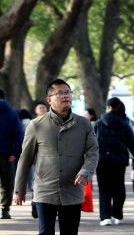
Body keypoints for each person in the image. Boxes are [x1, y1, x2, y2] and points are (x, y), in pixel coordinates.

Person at [13, 79, 99, 235]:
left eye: (68, 92)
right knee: (45, 232)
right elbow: (25, 159)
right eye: (60, 93)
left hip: (72, 190)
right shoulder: (36, 125)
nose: (66, 96)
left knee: (70, 232)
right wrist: (19, 190)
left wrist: (85, 171)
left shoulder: (84, 124)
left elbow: (93, 152)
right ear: (49, 99)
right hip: (45, 190)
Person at [94, 97, 134, 226]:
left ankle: (105, 218)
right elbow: (133, 144)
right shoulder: (124, 124)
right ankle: (117, 214)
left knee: (104, 189)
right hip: (119, 161)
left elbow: (91, 143)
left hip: (101, 160)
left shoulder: (98, 123)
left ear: (109, 107)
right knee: (118, 188)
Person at [0, 88, 24, 220]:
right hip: (6, 155)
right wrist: (15, 152)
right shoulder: (12, 113)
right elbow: (19, 135)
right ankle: (5, 210)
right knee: (6, 183)